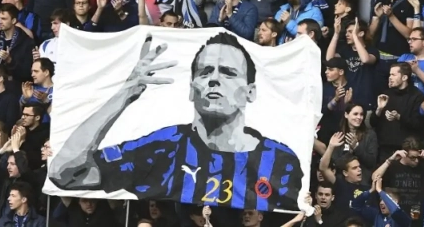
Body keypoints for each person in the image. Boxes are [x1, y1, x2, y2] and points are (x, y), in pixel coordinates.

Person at [50, 32, 303, 211]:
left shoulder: (281, 161)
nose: (214, 80)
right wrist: (125, 93)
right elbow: (63, 173)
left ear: (250, 92)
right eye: (205, 72)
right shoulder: (162, 148)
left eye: (228, 73)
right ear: (192, 90)